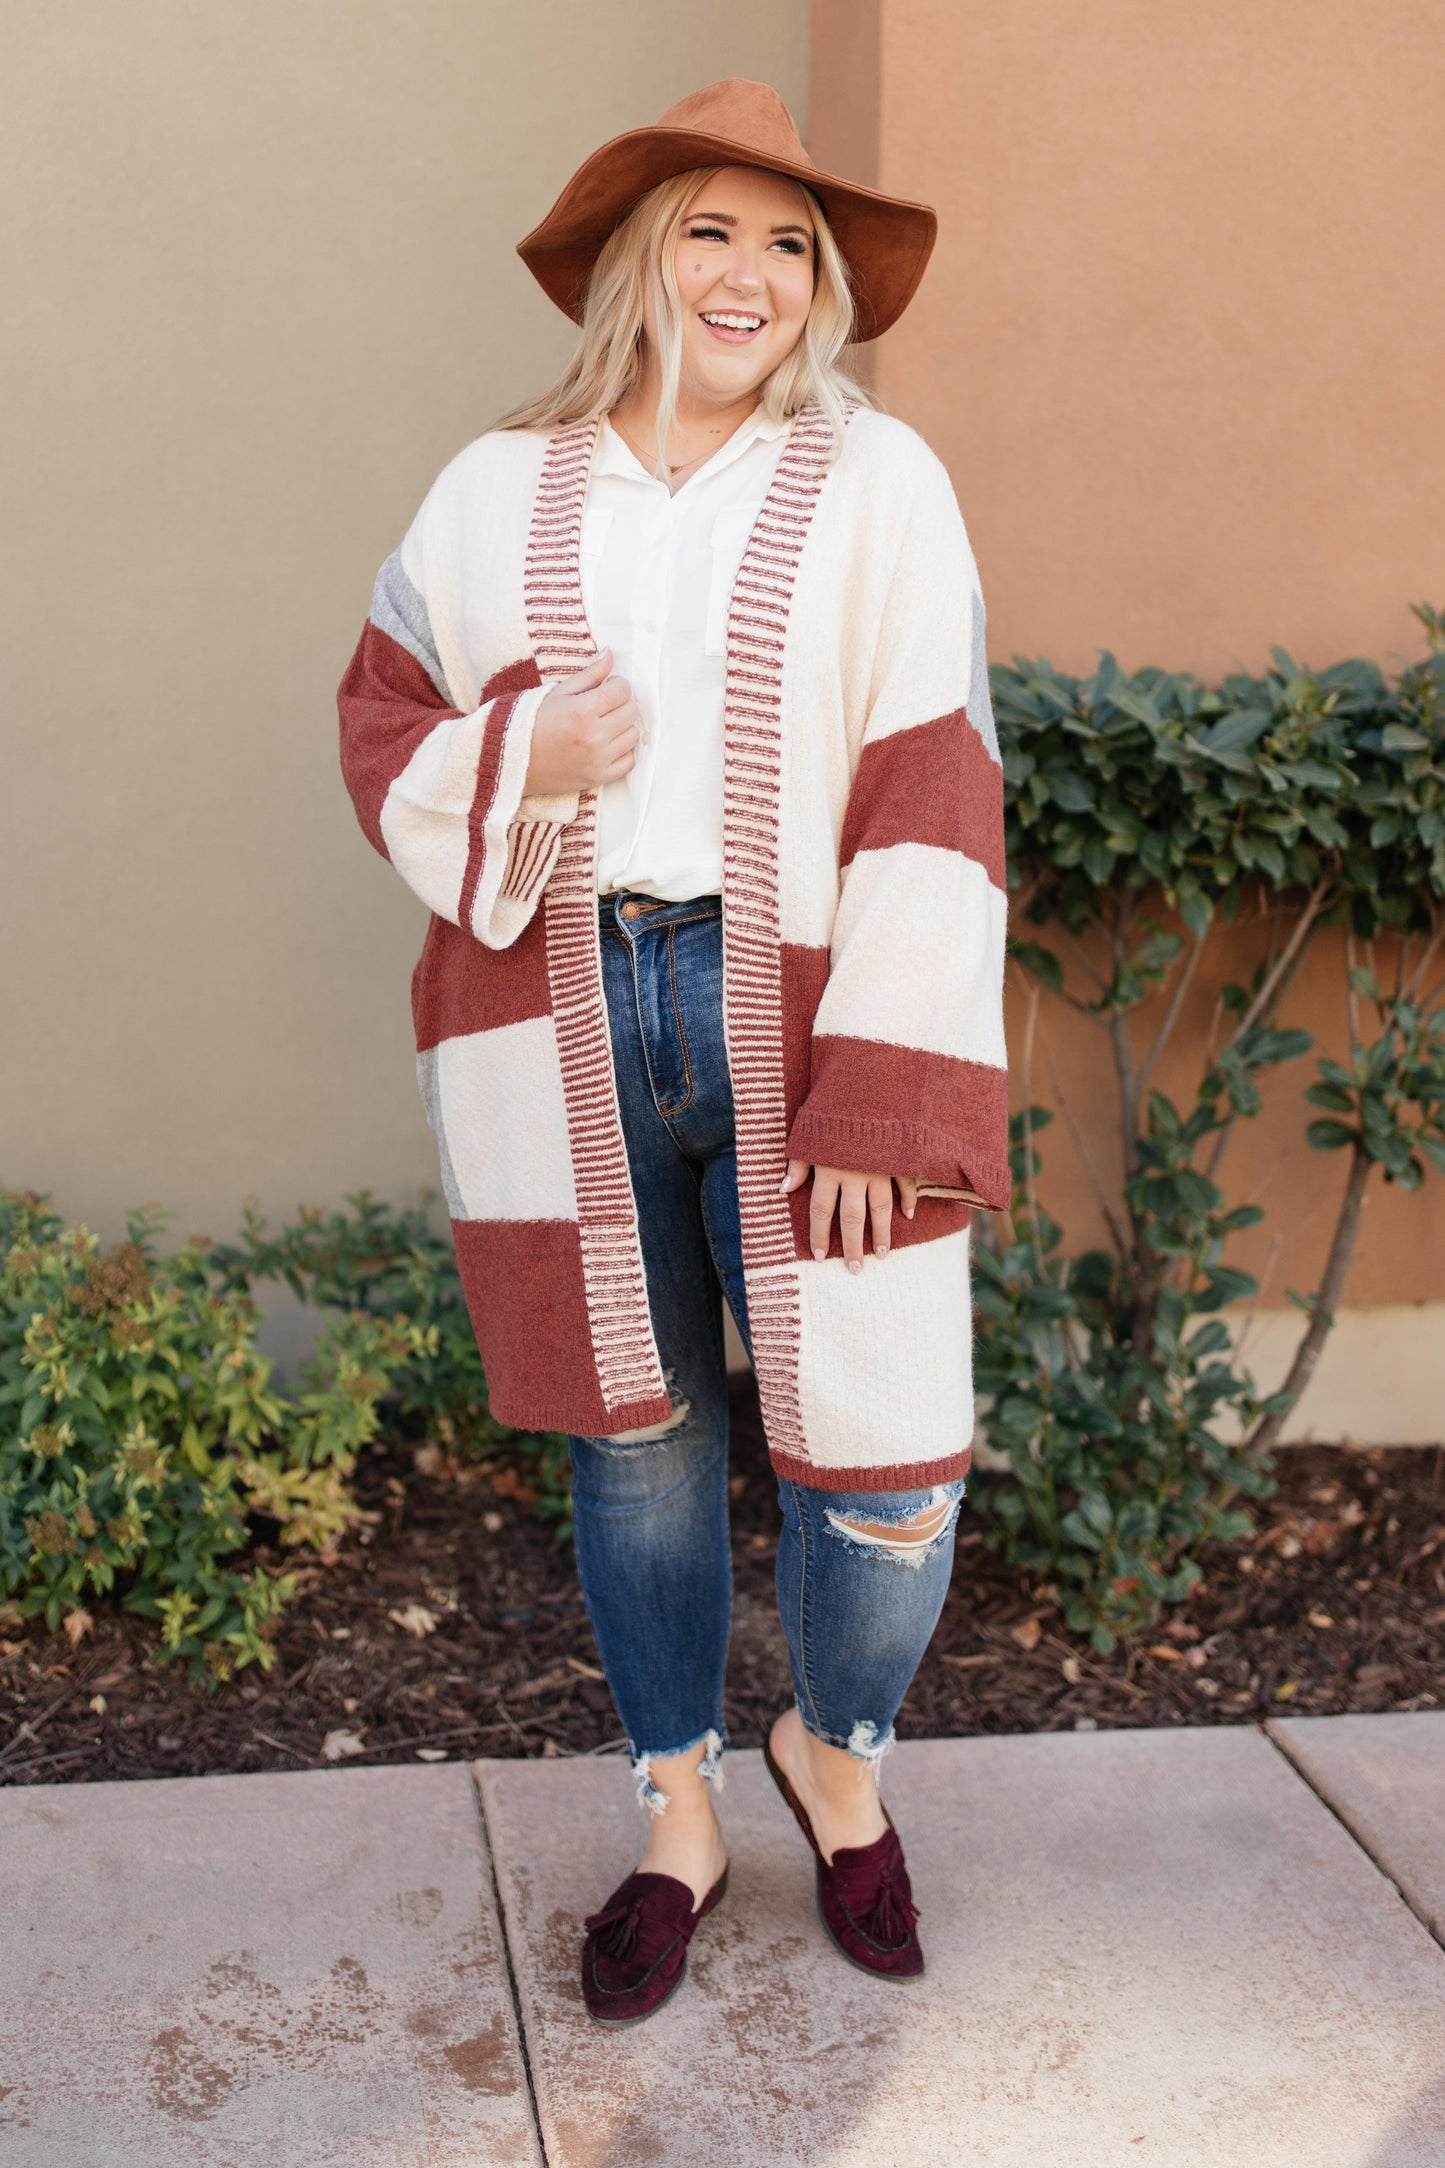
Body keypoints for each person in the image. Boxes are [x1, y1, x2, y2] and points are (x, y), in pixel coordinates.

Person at [338, 78, 1008, 2026]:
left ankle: (840, 1752)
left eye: (790, 243)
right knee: (634, 1437)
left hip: (800, 1012)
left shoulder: (882, 481)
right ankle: (678, 1814)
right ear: (644, 257)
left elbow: (932, 781)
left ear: (824, 291)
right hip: (559, 1008)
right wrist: (521, 759)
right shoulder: (493, 487)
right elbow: (383, 711)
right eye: (712, 229)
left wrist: (893, 1083)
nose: (751, 273)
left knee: (882, 1465)